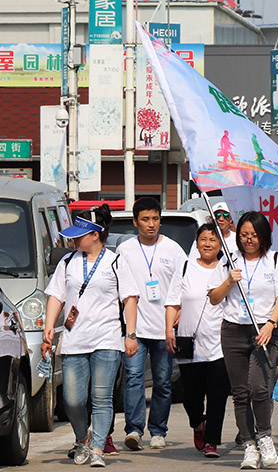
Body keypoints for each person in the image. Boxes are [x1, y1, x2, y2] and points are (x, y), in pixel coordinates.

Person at [42, 205, 140, 467]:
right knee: (72, 400)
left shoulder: (115, 262)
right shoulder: (67, 262)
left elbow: (130, 299)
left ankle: (97, 448)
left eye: (79, 235)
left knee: (101, 397)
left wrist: (131, 334)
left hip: (107, 339)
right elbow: (56, 296)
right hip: (74, 340)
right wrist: (49, 327)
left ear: (96, 234)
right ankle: (82, 438)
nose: (74, 240)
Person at [208, 211, 278, 469]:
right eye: (244, 235)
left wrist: (271, 324)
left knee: (259, 387)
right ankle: (248, 445)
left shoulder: (275, 260)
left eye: (254, 235)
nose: (249, 240)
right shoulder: (229, 260)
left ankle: (264, 437)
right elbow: (213, 297)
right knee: (240, 392)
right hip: (233, 330)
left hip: (263, 330)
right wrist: (228, 281)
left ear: (264, 236)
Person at [118, 197, 187, 451]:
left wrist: (180, 311)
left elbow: (185, 284)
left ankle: (158, 430)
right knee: (134, 378)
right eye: (145, 219)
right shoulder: (125, 250)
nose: (151, 224)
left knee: (163, 381)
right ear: (135, 222)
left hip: (164, 328)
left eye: (155, 219)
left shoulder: (174, 250)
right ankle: (134, 430)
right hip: (135, 328)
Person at [165, 224, 231, 458]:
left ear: (220, 244)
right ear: (197, 242)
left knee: (217, 395)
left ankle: (212, 441)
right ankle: (197, 423)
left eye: (213, 240)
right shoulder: (185, 267)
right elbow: (173, 302)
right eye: (203, 239)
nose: (208, 244)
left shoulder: (227, 269)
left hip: (219, 344)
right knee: (191, 396)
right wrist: (169, 331)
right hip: (188, 342)